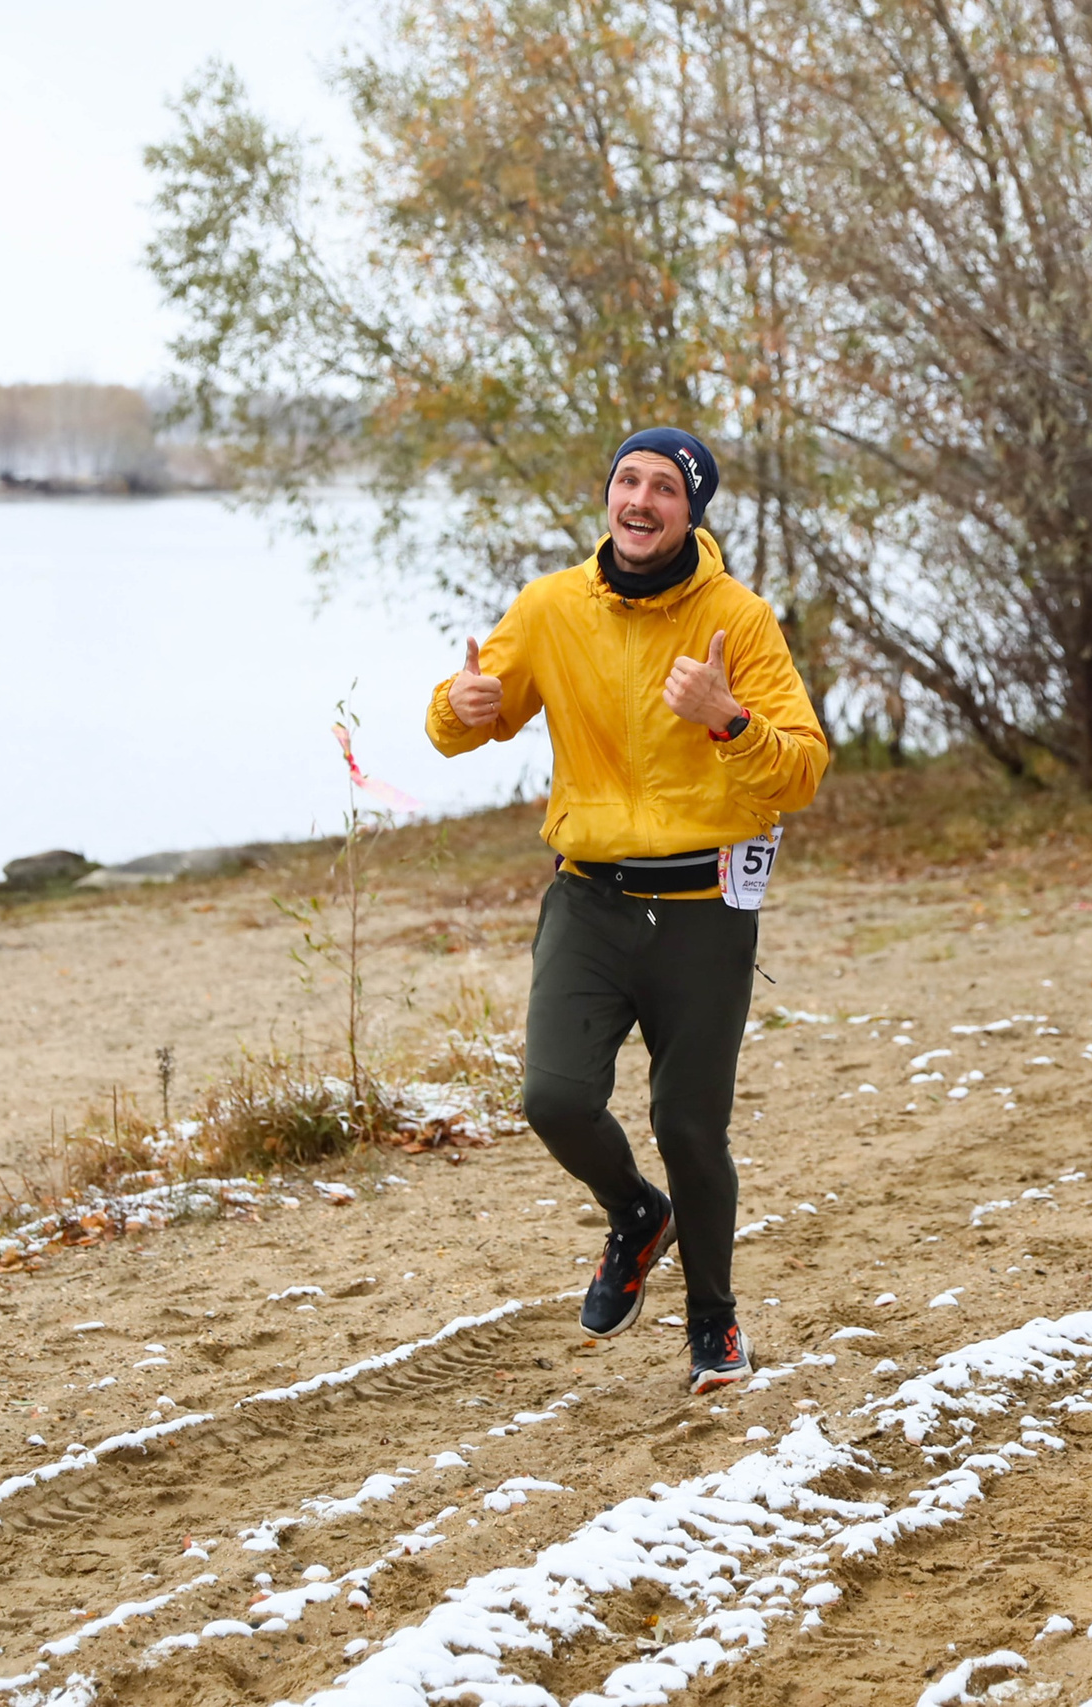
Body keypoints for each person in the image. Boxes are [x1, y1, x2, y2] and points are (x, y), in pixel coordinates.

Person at [426, 428, 828, 1394]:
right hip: (590, 899)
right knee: (554, 1099)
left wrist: (729, 718)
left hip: (703, 911)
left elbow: (802, 770)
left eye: (664, 489)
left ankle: (714, 1321)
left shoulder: (739, 618)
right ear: (608, 496)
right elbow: (463, 720)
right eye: (626, 481)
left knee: (690, 1128)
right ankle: (639, 1214)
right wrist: (459, 704)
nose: (640, 500)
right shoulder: (552, 605)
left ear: (693, 512)